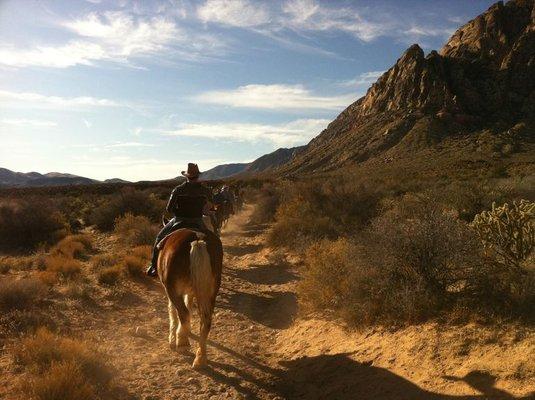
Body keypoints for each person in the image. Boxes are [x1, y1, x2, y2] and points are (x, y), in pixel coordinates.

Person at [146, 163, 214, 277]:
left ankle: (154, 267)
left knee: (159, 238)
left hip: (179, 220)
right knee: (211, 240)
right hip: (197, 220)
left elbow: (169, 208)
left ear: (186, 176)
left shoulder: (178, 189)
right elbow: (210, 206)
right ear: (198, 176)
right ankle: (212, 268)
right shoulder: (205, 190)